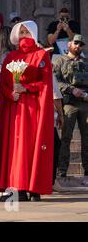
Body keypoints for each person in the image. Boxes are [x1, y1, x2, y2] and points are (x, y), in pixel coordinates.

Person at [0, 21, 54, 202]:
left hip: (32, 110)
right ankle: (18, 188)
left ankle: (34, 187)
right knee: (15, 148)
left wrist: (26, 88)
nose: (23, 36)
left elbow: (45, 83)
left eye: (26, 32)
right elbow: (3, 82)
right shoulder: (11, 56)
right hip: (15, 110)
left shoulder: (41, 54)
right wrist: (11, 92)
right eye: (21, 32)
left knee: (31, 146)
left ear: (33, 34)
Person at [53, 35, 88, 178]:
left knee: (87, 138)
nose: (78, 46)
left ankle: (87, 169)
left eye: (80, 44)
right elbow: (55, 81)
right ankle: (62, 170)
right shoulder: (59, 61)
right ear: (69, 44)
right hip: (69, 103)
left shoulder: (85, 62)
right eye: (75, 43)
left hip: (85, 103)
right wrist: (71, 89)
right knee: (66, 137)